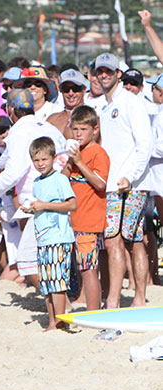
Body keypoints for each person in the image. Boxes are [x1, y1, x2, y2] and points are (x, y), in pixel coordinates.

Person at [0, 89, 66, 286]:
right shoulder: (49, 127)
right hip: (59, 195)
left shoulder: (18, 132)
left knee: (28, 260)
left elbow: (14, 171)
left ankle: (57, 302)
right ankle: (59, 300)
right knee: (51, 257)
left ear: (11, 110)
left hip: (34, 200)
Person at [94, 53, 153, 308]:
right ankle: (128, 298)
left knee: (123, 240)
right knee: (127, 240)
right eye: (100, 71)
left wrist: (131, 176)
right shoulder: (101, 105)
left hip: (130, 184)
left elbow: (145, 143)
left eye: (109, 70)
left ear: (119, 73)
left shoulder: (130, 102)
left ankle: (121, 299)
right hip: (112, 184)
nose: (104, 74)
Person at [24, 137, 77, 331]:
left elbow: (72, 204)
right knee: (46, 282)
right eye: (36, 160)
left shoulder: (60, 179)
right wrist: (32, 209)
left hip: (59, 237)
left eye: (44, 159)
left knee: (57, 282)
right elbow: (42, 206)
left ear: (54, 158)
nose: (40, 164)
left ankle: (60, 323)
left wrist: (44, 205)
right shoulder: (37, 182)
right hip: (43, 238)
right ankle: (52, 322)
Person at [62, 106, 110, 311]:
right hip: (74, 219)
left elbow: (100, 184)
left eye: (83, 129)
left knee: (89, 269)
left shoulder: (98, 153)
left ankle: (93, 311)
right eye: (75, 129)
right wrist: (68, 162)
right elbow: (63, 182)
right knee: (82, 267)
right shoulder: (76, 154)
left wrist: (80, 163)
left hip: (89, 221)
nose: (78, 133)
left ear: (95, 130)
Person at [46, 69, 88, 139]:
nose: (71, 93)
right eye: (66, 89)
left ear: (84, 90)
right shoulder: (51, 119)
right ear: (60, 89)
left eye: (75, 88)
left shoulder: (91, 118)